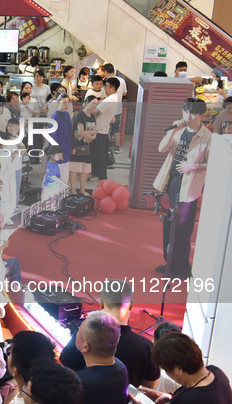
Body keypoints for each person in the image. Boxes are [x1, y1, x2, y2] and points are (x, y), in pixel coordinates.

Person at [60, 280, 160, 388]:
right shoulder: (145, 346)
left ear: (102, 303)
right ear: (131, 305)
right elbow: (151, 385)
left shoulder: (84, 334)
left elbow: (66, 365)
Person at [153, 98, 211, 279]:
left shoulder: (207, 137)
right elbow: (162, 148)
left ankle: (182, 268)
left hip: (190, 186)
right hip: (172, 182)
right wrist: (174, 130)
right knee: (169, 224)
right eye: (185, 112)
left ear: (202, 115)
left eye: (193, 113)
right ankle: (169, 263)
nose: (188, 116)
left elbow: (214, 162)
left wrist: (193, 166)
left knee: (183, 229)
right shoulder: (178, 131)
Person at [140, 332, 232, 404]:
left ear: (179, 369)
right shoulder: (215, 371)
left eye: (166, 370)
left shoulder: (190, 399)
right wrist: (171, 397)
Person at [75, 311, 129, 404]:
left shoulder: (79, 382)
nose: (76, 333)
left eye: (79, 330)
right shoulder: (121, 366)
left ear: (85, 346)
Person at [91, 77, 119, 180]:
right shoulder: (114, 98)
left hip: (100, 130)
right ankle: (97, 174)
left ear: (112, 88)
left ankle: (101, 175)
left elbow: (95, 111)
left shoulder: (110, 99)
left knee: (100, 155)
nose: (104, 89)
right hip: (103, 129)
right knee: (98, 153)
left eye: (106, 87)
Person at [71, 95, 98, 195]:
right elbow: (80, 132)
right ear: (86, 103)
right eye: (93, 103)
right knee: (75, 167)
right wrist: (92, 136)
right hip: (79, 144)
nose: (94, 106)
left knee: (85, 168)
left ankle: (82, 189)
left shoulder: (92, 116)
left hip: (88, 145)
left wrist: (90, 135)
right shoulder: (80, 115)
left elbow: (95, 129)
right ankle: (73, 189)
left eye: (96, 104)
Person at [101, 63, 127, 153]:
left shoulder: (106, 82)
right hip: (118, 109)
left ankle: (107, 148)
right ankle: (117, 147)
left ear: (105, 72)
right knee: (116, 129)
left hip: (108, 109)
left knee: (106, 128)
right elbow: (124, 93)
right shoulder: (122, 80)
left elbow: (103, 94)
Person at [50, 93, 74, 182]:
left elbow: (70, 132)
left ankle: (63, 194)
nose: (66, 105)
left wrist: (72, 146)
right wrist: (57, 151)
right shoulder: (55, 116)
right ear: (58, 103)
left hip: (67, 148)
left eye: (68, 102)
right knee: (57, 175)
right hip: (59, 150)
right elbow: (53, 136)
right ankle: (56, 195)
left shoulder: (67, 115)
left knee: (65, 174)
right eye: (63, 102)